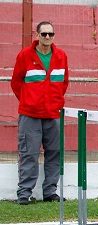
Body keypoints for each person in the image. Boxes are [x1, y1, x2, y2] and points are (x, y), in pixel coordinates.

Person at [11, 21, 69, 204]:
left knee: (55, 152)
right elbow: (16, 83)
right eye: (43, 34)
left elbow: (64, 83)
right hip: (30, 115)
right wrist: (29, 101)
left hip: (53, 114)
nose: (47, 37)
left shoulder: (61, 56)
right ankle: (24, 193)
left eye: (50, 34)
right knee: (29, 153)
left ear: (54, 36)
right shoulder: (25, 55)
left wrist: (54, 101)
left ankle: (50, 192)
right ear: (37, 35)